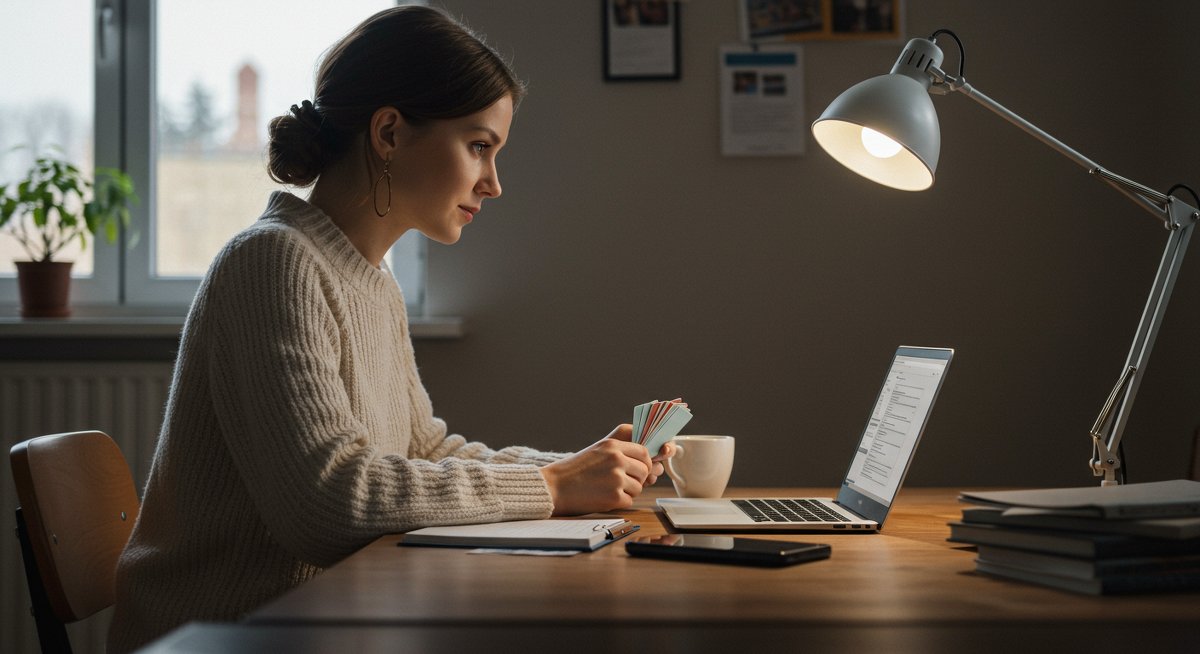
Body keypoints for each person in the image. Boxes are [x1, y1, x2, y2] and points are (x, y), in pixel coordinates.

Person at [107, 6, 672, 652]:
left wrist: (581, 470)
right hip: (225, 637)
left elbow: (424, 452)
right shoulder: (271, 261)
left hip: (323, 625)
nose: (493, 184)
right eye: (479, 146)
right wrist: (551, 488)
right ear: (389, 133)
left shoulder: (373, 282)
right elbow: (326, 503)